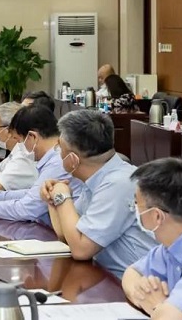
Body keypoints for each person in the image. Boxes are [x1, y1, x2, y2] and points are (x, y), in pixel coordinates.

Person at [41, 110, 156, 278]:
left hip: (138, 285)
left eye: (60, 148)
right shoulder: (96, 178)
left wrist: (63, 197)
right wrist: (53, 198)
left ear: (73, 159)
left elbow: (81, 250)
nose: (58, 152)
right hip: (106, 276)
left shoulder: (118, 183)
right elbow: (66, 235)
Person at [0, 105, 82, 224]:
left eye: (19, 141)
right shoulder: (53, 157)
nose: (20, 146)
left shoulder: (57, 162)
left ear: (32, 136)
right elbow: (32, 194)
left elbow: (26, 209)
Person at [122, 158, 182, 319]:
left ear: (156, 216)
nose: (135, 210)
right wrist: (144, 297)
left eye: (136, 204)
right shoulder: (173, 244)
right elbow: (131, 273)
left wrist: (157, 307)